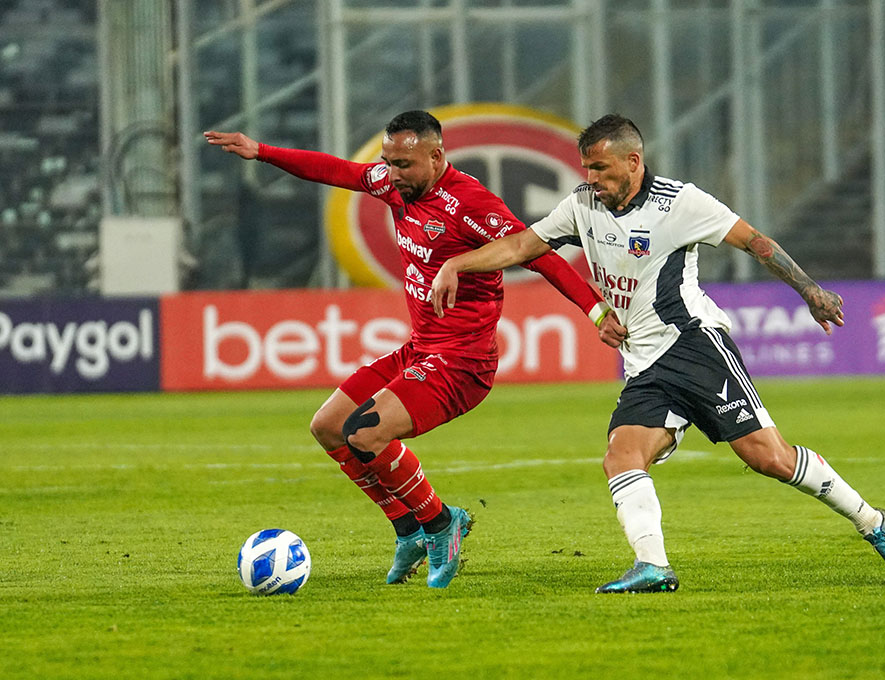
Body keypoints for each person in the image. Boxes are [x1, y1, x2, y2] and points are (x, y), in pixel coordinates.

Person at [430, 114, 885, 593]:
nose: (591, 180)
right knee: (621, 456)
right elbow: (521, 246)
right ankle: (652, 566)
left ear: (633, 161)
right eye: (586, 169)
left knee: (769, 458)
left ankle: (875, 523)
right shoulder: (582, 205)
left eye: (599, 169)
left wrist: (810, 290)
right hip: (643, 362)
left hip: (694, 345)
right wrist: (459, 262)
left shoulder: (680, 203)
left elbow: (756, 242)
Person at [205, 111, 607, 588]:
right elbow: (337, 171)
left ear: (436, 156)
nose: (393, 174)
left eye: (404, 164)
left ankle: (441, 524)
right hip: (419, 350)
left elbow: (539, 256)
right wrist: (263, 151)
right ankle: (407, 529)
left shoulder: (471, 204)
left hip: (462, 363)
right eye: (388, 162)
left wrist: (596, 311)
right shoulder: (394, 184)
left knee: (366, 435)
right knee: (329, 428)